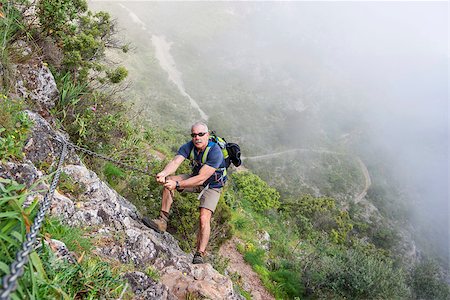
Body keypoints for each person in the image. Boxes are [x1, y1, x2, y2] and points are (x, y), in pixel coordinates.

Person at [143, 121, 227, 264]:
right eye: (194, 135)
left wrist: (177, 184)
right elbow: (176, 162)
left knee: (204, 218)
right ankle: (162, 221)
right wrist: (163, 174)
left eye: (201, 134)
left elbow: (201, 178)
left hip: (212, 185)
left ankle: (199, 254)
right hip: (195, 178)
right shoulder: (189, 146)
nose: (197, 138)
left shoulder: (215, 152)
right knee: (168, 182)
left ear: (207, 135)